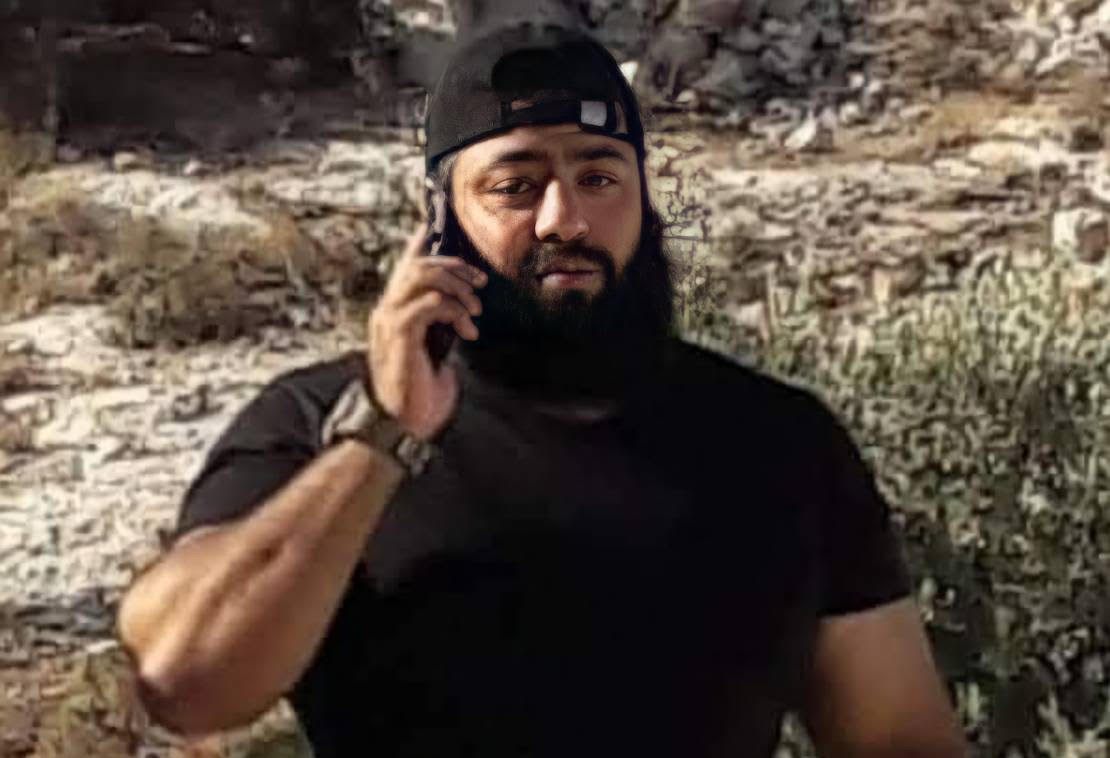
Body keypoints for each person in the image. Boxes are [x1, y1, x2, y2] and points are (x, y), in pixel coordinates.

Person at [116, 14, 970, 758]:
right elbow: (186, 683)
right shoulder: (315, 424)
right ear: (439, 218)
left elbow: (899, 742)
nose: (566, 219)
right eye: (516, 186)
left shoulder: (777, 441)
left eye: (599, 177)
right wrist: (381, 433)